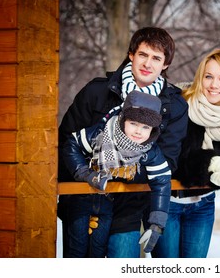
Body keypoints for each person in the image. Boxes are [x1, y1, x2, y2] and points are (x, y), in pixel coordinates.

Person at [58, 27, 188, 258]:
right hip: (86, 198)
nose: (148, 63)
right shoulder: (97, 91)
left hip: (130, 204)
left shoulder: (175, 106)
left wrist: (121, 171)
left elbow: (167, 162)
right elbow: (67, 139)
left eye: (156, 58)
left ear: (165, 64)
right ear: (131, 54)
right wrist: (82, 179)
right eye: (143, 55)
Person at [151, 48, 220, 258]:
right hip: (167, 202)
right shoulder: (180, 106)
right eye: (209, 77)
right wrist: (211, 164)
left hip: (203, 206)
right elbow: (173, 162)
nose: (214, 85)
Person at [61, 91, 171, 257]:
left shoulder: (150, 151)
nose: (138, 131)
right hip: (81, 199)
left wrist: (157, 223)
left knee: (97, 252)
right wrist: (85, 173)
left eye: (146, 127)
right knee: (77, 250)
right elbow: (72, 145)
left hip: (107, 204)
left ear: (153, 129)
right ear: (123, 119)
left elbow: (162, 181)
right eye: (133, 123)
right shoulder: (101, 133)